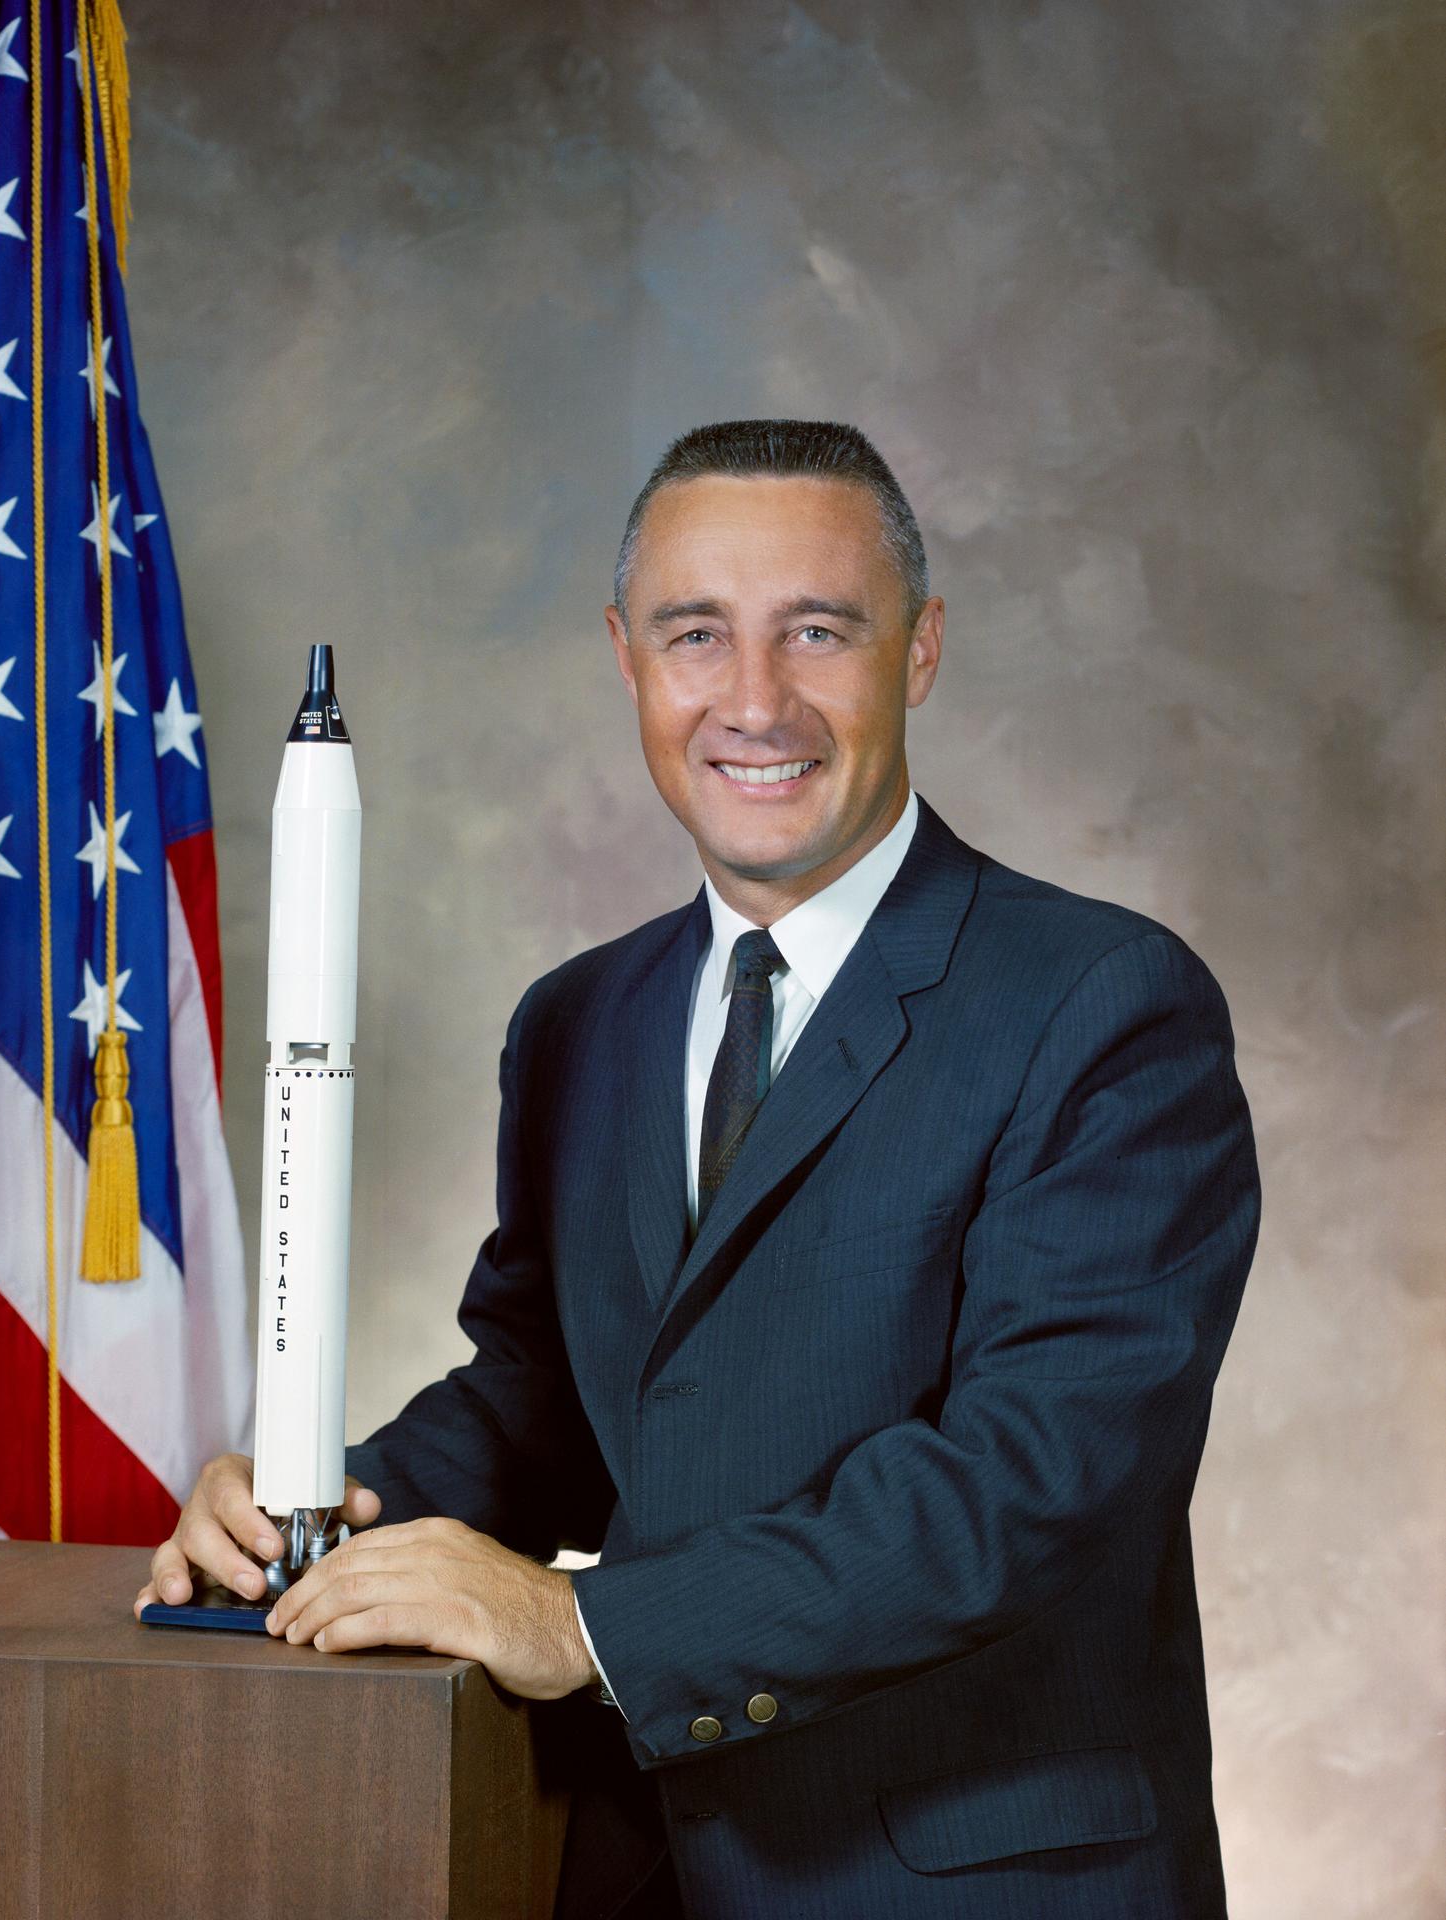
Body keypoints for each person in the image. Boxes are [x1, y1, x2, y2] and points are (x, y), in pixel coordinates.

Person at [135, 418, 1260, 1919]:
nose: (753, 700)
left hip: (975, 1881)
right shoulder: (581, 1020)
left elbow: (1032, 1484)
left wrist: (586, 1624)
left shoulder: (1102, 1004)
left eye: (816, 631)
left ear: (918, 650)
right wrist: (320, 1513)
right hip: (628, 1869)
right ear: (625, 656)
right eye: (693, 634)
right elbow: (546, 1397)